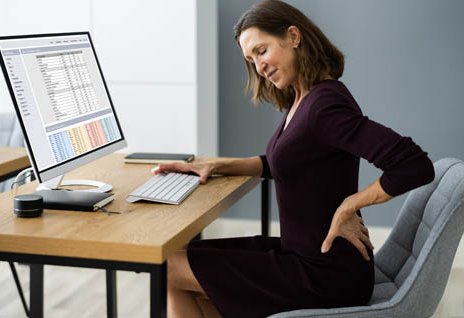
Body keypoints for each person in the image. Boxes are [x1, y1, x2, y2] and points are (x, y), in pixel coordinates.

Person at [157, 1, 435, 317]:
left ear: (293, 36)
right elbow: (287, 161)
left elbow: (413, 165)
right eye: (251, 59)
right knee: (180, 258)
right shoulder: (304, 98)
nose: (258, 67)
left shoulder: (324, 106)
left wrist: (349, 205)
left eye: (261, 51)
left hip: (326, 273)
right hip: (301, 253)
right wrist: (216, 165)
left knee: (171, 269)